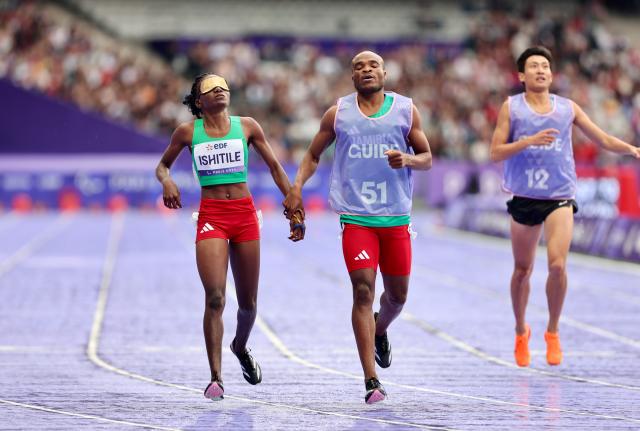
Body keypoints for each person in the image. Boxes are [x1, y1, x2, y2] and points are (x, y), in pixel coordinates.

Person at [283, 51, 432, 403]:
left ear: (385, 72)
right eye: (358, 67)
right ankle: (371, 379)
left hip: (395, 218)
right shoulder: (339, 113)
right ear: (352, 77)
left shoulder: (406, 110)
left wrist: (408, 158)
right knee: (363, 291)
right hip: (356, 218)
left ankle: (380, 329)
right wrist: (297, 187)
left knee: (397, 297)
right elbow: (313, 155)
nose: (366, 70)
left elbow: (427, 158)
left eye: (372, 66)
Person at [490, 46, 640, 368]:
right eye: (534, 66)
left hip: (559, 195)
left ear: (551, 74)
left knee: (557, 266)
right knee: (522, 270)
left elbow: (601, 138)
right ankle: (521, 331)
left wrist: (632, 149)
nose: (541, 70)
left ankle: (553, 332)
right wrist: (528, 142)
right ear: (521, 75)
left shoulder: (567, 108)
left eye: (545, 66)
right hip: (525, 197)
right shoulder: (511, 108)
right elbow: (496, 152)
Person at [156, 73, 301, 400]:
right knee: (216, 298)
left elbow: (277, 169)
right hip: (212, 218)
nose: (220, 91)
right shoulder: (187, 132)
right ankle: (216, 378)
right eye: (212, 89)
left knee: (248, 304)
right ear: (199, 101)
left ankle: (239, 345)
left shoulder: (247, 126)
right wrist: (167, 181)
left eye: (224, 87)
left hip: (245, 217)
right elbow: (162, 167)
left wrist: (294, 205)